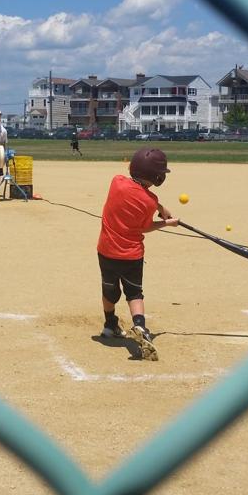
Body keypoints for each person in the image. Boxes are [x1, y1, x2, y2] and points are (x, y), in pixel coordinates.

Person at [96, 147, 177, 361]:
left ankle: (110, 324)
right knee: (134, 293)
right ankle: (139, 326)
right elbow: (145, 227)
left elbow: (134, 187)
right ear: (157, 177)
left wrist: (159, 205)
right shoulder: (149, 201)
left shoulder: (116, 182)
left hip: (106, 250)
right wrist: (166, 222)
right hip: (131, 255)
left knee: (110, 289)